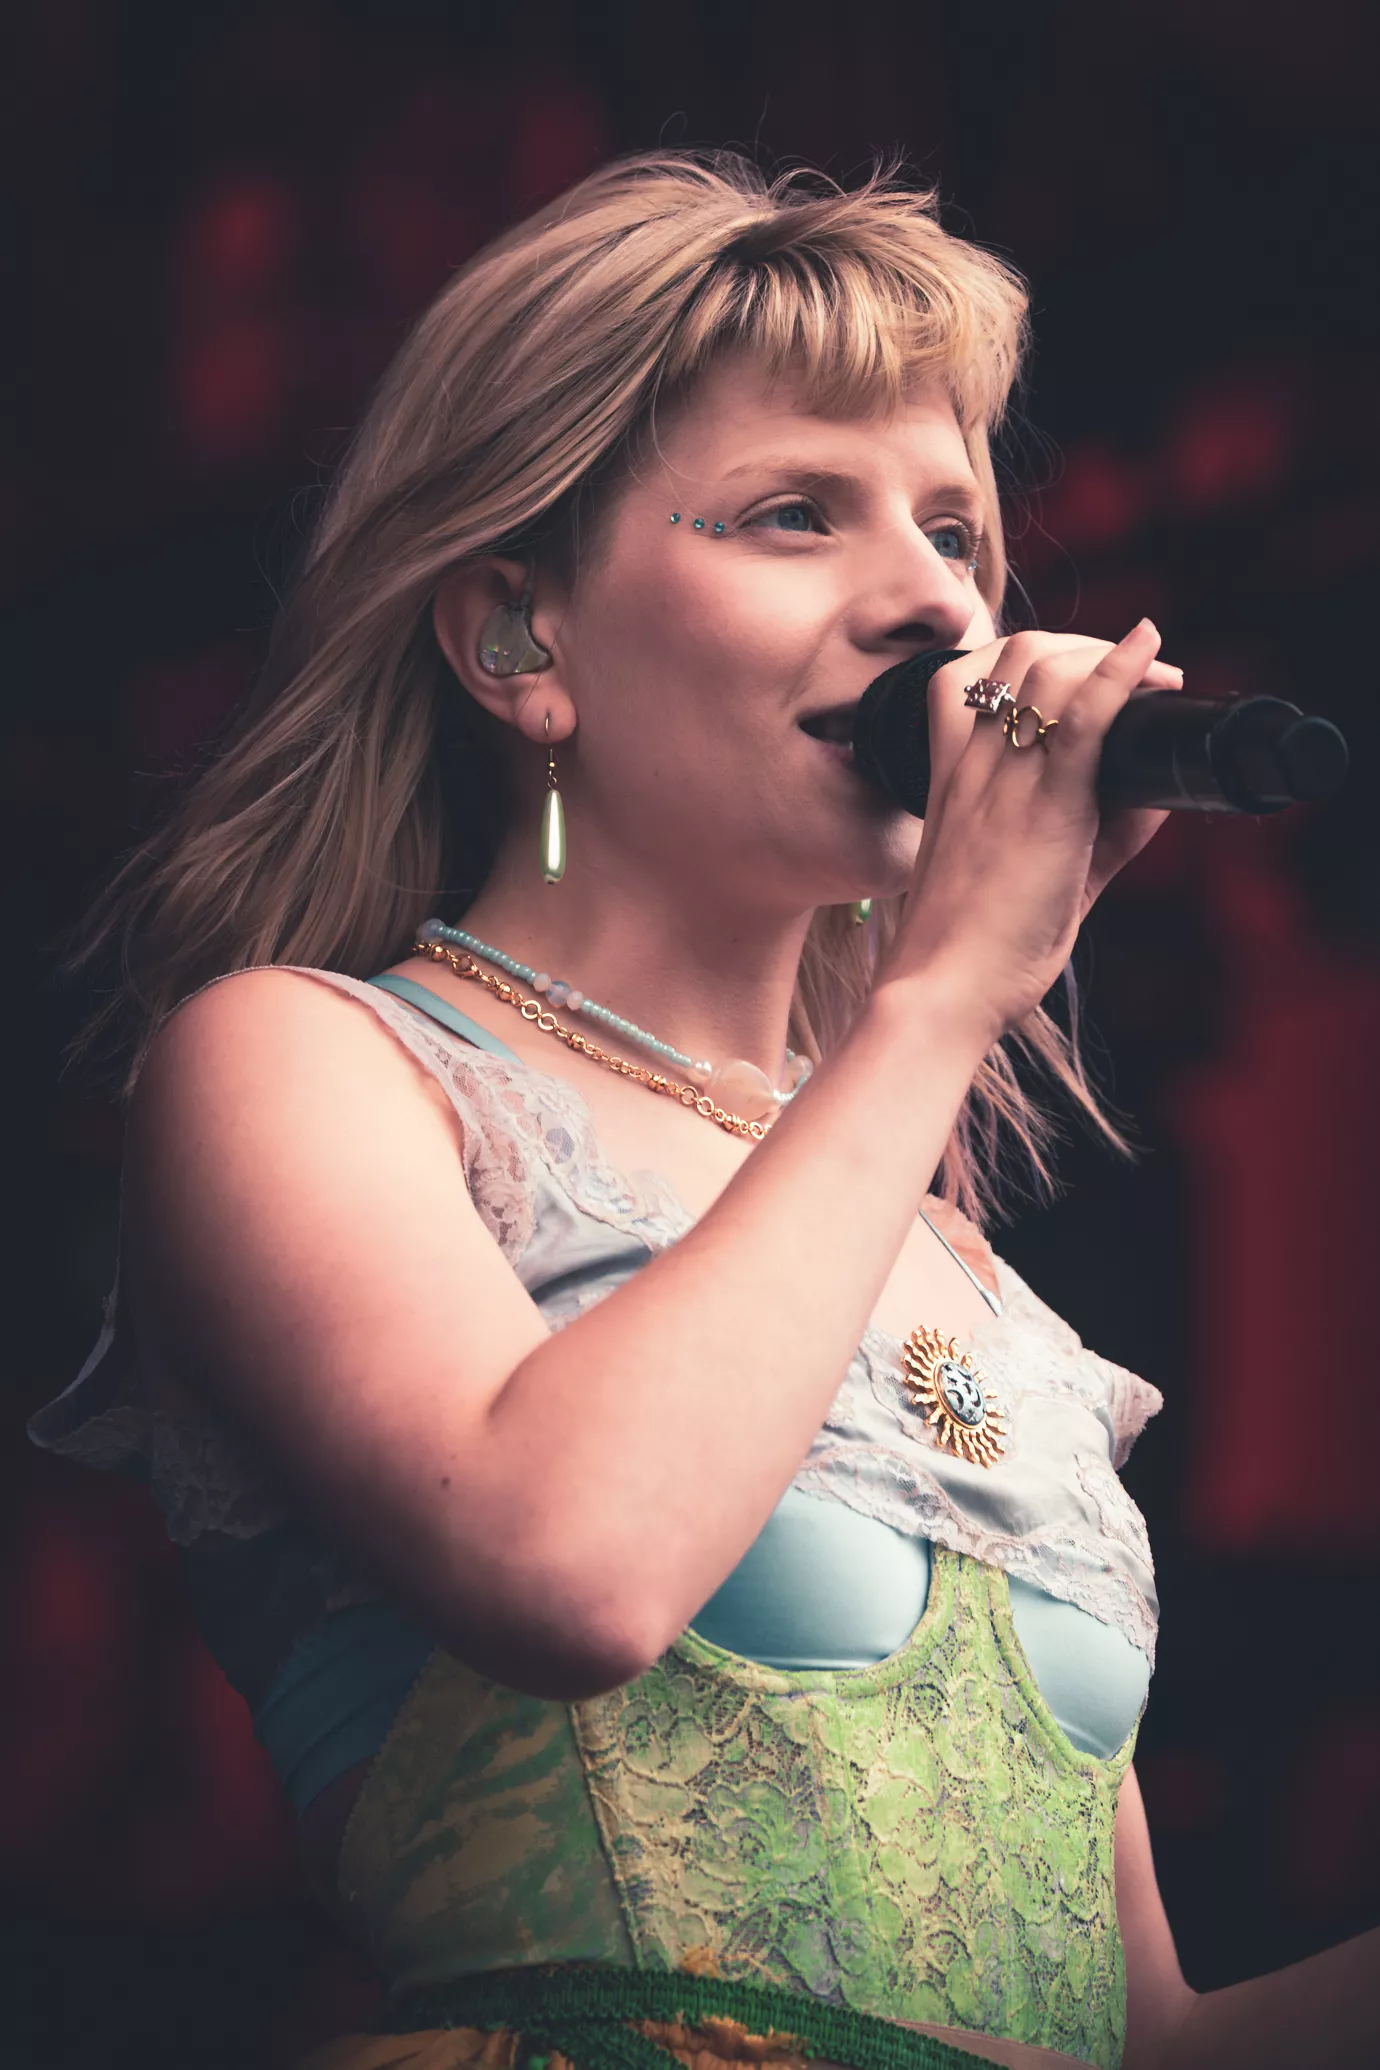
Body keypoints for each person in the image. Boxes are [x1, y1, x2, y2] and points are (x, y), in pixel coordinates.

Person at [28, 152, 1377, 2070]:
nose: (931, 600)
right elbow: (569, 1562)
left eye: (955, 532)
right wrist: (940, 1000)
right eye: (793, 515)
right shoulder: (309, 1066)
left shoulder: (955, 1266)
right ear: (520, 640)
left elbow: (1134, 2032)